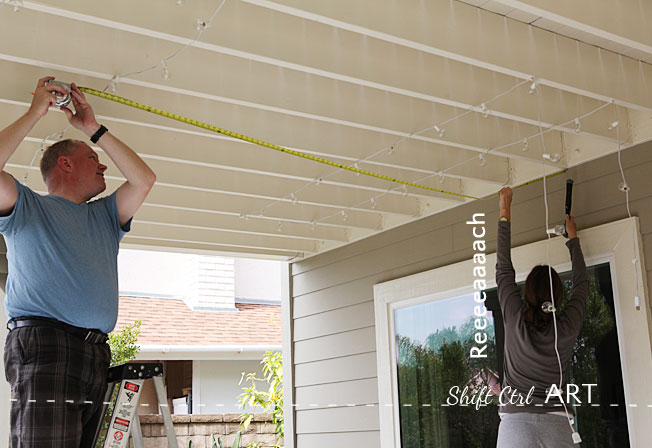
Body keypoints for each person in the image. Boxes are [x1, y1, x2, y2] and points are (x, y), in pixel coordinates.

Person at [0, 77, 156, 447]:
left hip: (95, 351)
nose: (103, 168)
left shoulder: (104, 216)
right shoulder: (27, 206)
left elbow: (144, 179)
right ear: (65, 163)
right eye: (93, 159)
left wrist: (93, 130)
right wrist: (35, 112)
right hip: (45, 344)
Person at [495, 187, 588, 448]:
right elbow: (581, 285)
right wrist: (573, 241)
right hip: (558, 426)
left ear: (527, 293)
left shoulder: (515, 318)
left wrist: (505, 210)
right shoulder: (566, 327)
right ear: (558, 296)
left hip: (515, 425)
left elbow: (503, 270)